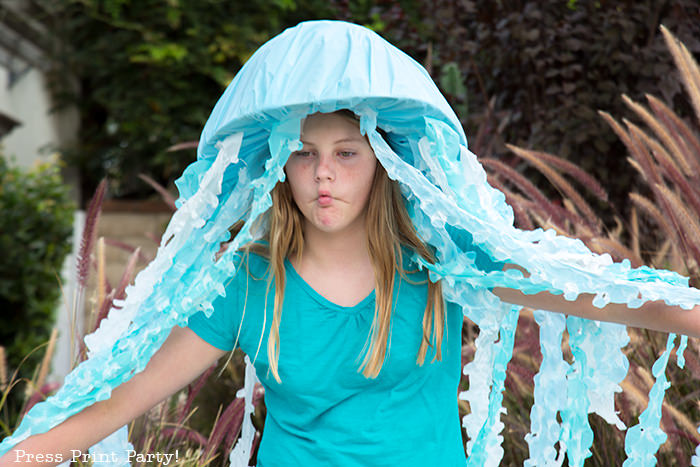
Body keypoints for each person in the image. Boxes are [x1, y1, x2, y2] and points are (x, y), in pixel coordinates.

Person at [1, 20, 699, 467]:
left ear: (383, 162)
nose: (323, 175)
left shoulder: (437, 260)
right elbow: (117, 403)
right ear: (279, 166)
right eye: (304, 154)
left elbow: (600, 295)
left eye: (346, 152)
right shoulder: (250, 283)